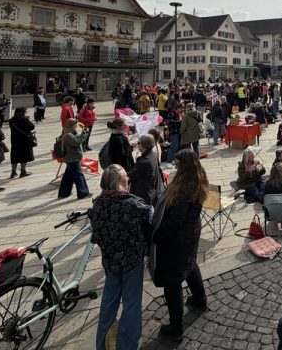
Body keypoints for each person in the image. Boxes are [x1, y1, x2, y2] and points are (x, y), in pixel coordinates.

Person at [89, 165, 154, 350]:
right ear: (119, 182)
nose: (128, 180)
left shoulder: (98, 204)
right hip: (132, 260)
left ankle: (102, 344)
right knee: (131, 303)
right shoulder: (133, 204)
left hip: (110, 260)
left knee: (109, 302)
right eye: (126, 177)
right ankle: (128, 344)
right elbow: (152, 219)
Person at [152, 149, 208, 342]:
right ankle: (200, 300)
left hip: (180, 236)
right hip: (191, 231)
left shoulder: (185, 186)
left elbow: (176, 220)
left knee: (172, 281)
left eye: (177, 163)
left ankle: (176, 328)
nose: (175, 166)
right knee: (190, 264)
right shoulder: (198, 177)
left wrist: (157, 235)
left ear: (183, 164)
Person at [57, 119, 91, 200]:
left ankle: (63, 193)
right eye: (75, 125)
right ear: (71, 125)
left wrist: (84, 132)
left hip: (72, 158)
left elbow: (79, 139)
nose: (76, 126)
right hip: (72, 159)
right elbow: (77, 141)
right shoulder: (67, 135)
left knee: (68, 177)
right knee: (79, 176)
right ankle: (83, 193)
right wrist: (83, 132)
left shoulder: (70, 133)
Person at [129, 132, 166, 207]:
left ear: (143, 145)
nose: (137, 144)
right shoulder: (153, 155)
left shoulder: (144, 161)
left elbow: (131, 176)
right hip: (152, 191)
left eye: (138, 142)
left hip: (144, 195)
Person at [8, 107, 35, 178]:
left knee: (15, 156)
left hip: (15, 140)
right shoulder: (24, 119)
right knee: (24, 156)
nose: (26, 113)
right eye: (25, 111)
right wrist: (28, 120)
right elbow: (32, 126)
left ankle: (13, 171)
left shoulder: (11, 120)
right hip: (24, 140)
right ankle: (23, 171)